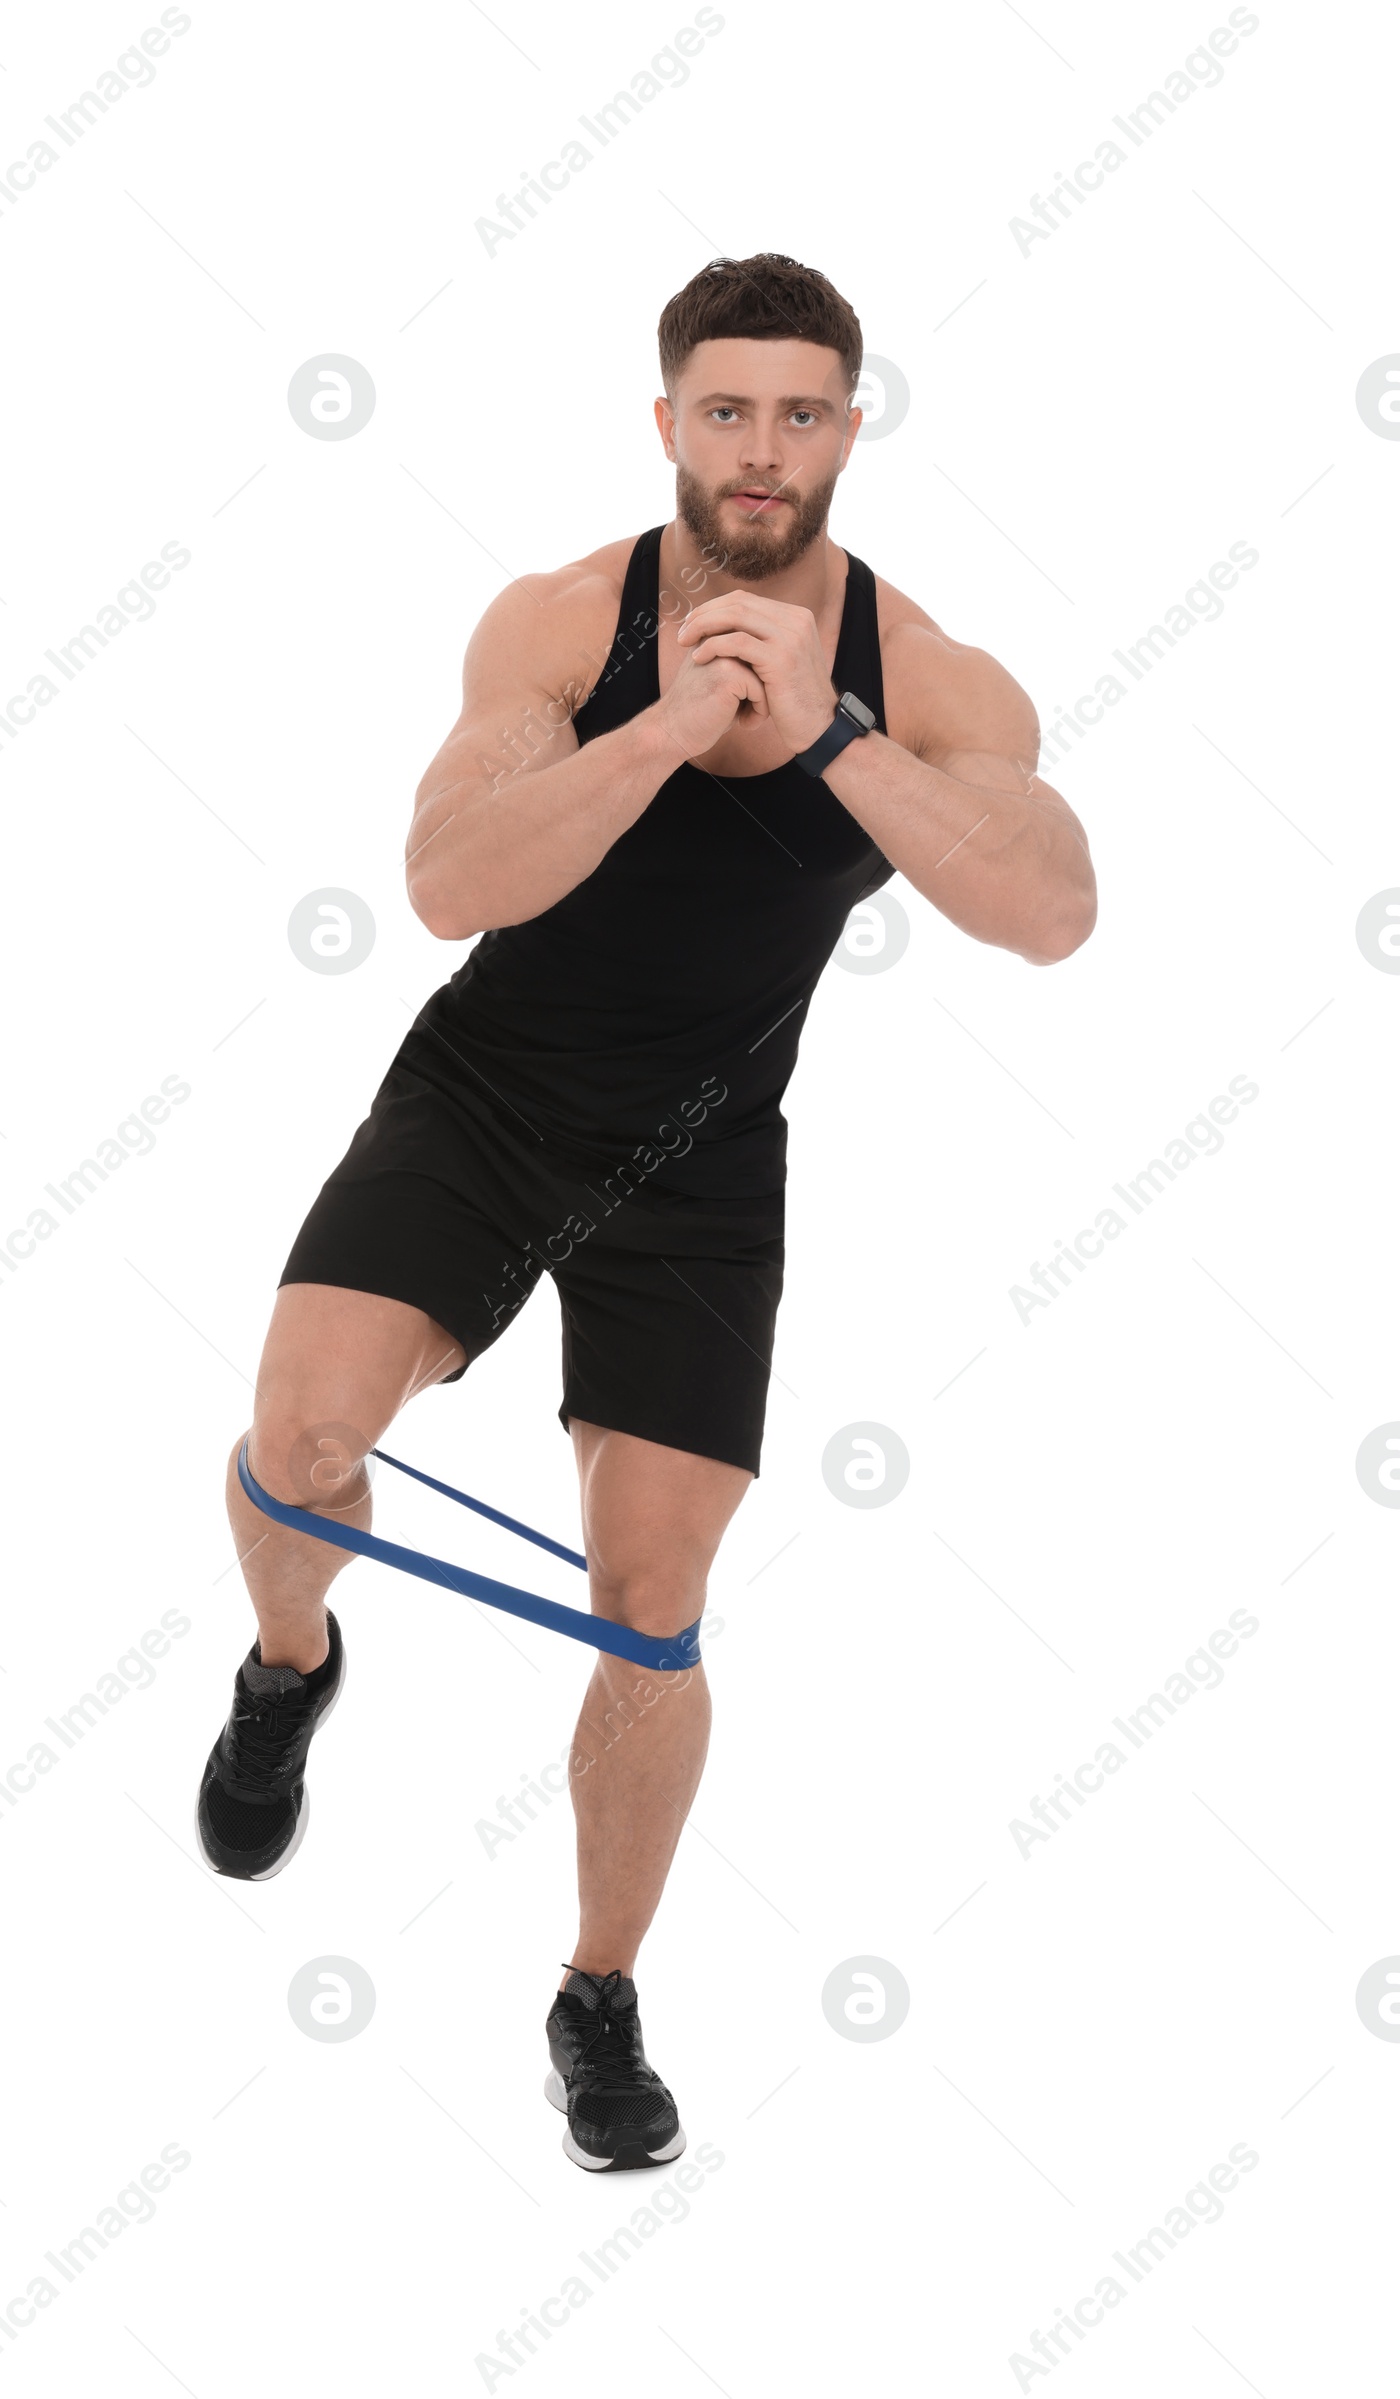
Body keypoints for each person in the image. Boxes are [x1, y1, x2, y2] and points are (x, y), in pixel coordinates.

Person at [194, 252, 1096, 2171]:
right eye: (725, 408)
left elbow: (1051, 910)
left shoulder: (928, 676)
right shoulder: (557, 623)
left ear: (850, 427)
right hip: (490, 1093)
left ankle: (595, 1997)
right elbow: (447, 883)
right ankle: (290, 1669)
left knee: (655, 1610)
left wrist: (830, 737)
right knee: (294, 1450)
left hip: (703, 1151)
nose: (759, 451)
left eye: (800, 411)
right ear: (667, 420)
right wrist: (671, 731)